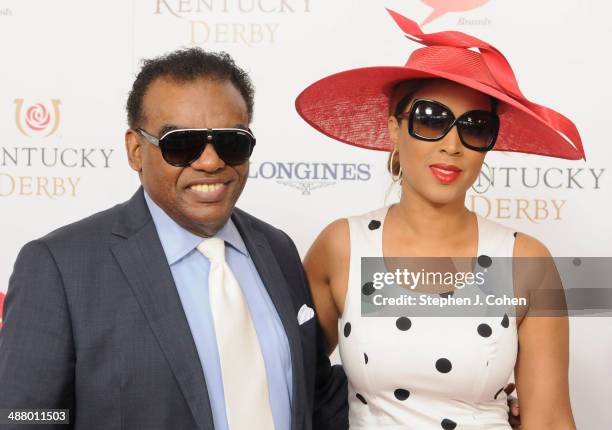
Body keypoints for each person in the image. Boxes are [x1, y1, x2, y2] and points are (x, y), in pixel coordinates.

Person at [0, 48, 347, 430]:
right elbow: (25, 417)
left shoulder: (276, 248)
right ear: (136, 150)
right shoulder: (60, 268)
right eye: (182, 144)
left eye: (231, 142)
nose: (211, 162)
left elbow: (316, 397)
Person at [296, 10, 581, 430]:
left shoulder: (526, 260)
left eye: (476, 127)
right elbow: (291, 382)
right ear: (394, 128)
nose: (452, 145)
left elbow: (551, 419)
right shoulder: (342, 246)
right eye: (431, 119)